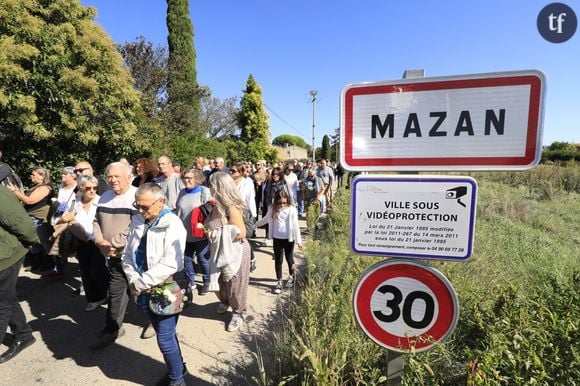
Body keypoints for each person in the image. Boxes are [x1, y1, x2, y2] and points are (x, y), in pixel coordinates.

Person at [123, 183, 188, 386]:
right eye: (137, 205)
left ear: (161, 202)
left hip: (166, 288)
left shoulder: (173, 224)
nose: (141, 211)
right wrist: (133, 279)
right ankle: (179, 368)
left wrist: (140, 283)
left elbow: (171, 263)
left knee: (164, 338)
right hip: (142, 287)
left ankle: (177, 380)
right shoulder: (138, 220)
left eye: (145, 207)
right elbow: (128, 255)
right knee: (165, 333)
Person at [90, 162, 138, 350]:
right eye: (110, 176)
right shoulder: (105, 197)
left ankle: (155, 322)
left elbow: (136, 226)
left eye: (117, 176)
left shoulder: (136, 196)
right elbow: (96, 221)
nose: (112, 180)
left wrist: (113, 244)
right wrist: (100, 241)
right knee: (116, 290)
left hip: (134, 256)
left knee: (145, 291)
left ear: (128, 177)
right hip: (111, 254)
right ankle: (113, 328)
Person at [205, 172, 251, 332]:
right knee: (219, 283)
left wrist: (221, 230)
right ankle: (225, 302)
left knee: (235, 284)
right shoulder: (214, 206)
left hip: (235, 251)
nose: (209, 187)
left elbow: (241, 233)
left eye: (211, 185)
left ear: (218, 187)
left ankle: (239, 313)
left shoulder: (230, 208)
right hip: (219, 251)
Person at [0, 185, 39, 364]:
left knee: (2, 303)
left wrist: (31, 240)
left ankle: (23, 335)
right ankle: (23, 335)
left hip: (6, 256)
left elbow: (18, 220)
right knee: (7, 298)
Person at [66, 175, 108, 312]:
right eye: (88, 188)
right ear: (81, 188)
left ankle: (107, 294)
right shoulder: (74, 202)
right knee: (86, 271)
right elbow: (61, 217)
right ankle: (94, 298)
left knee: (98, 270)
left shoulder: (102, 202)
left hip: (97, 241)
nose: (92, 191)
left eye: (95, 188)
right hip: (81, 241)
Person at [6, 167, 54, 272]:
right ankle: (40, 263)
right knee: (34, 242)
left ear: (42, 176)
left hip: (39, 218)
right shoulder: (37, 186)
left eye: (33, 174)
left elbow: (30, 201)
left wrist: (14, 191)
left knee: (43, 241)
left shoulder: (45, 188)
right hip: (33, 217)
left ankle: (51, 263)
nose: (31, 176)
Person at [255, 190, 302, 294]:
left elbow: (295, 226)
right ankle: (279, 281)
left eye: (284, 203)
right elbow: (265, 219)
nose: (282, 205)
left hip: (289, 238)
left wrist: (299, 240)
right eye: (280, 202)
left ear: (288, 202)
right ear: (276, 201)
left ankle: (291, 277)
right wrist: (254, 225)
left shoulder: (292, 210)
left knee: (289, 258)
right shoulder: (272, 209)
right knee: (278, 259)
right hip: (277, 238)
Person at [175, 168, 212, 295]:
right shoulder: (181, 192)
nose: (187, 180)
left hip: (200, 233)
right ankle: (190, 281)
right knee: (187, 259)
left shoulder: (204, 191)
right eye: (185, 178)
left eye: (190, 178)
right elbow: (178, 210)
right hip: (184, 232)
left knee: (203, 259)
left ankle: (207, 282)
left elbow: (211, 209)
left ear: (197, 178)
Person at [45, 166, 78, 278]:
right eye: (62, 174)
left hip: (72, 219)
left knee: (70, 244)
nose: (62, 176)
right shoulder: (61, 187)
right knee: (58, 244)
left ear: (73, 176)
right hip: (60, 218)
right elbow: (60, 203)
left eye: (65, 174)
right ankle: (58, 269)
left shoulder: (77, 187)